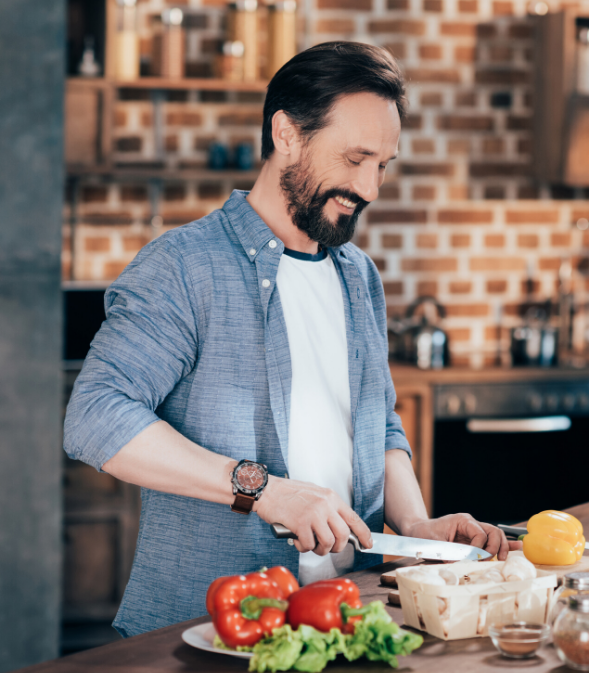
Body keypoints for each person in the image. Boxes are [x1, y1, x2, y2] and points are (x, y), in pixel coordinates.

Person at [63, 42, 516, 638]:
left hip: (347, 618)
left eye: (382, 165)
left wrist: (415, 528)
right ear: (287, 134)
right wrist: (263, 490)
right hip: (207, 633)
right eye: (355, 159)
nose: (370, 188)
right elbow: (94, 416)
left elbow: (379, 426)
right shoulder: (183, 266)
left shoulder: (359, 277)